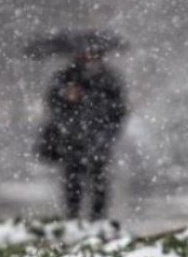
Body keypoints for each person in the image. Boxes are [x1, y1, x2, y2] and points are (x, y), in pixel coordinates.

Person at [40, 49, 127, 220]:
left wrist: (107, 132)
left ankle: (98, 218)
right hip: (71, 138)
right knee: (73, 181)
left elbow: (118, 109)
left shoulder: (109, 79)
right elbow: (53, 104)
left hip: (99, 138)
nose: (89, 58)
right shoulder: (65, 77)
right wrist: (66, 95)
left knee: (98, 181)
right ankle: (73, 217)